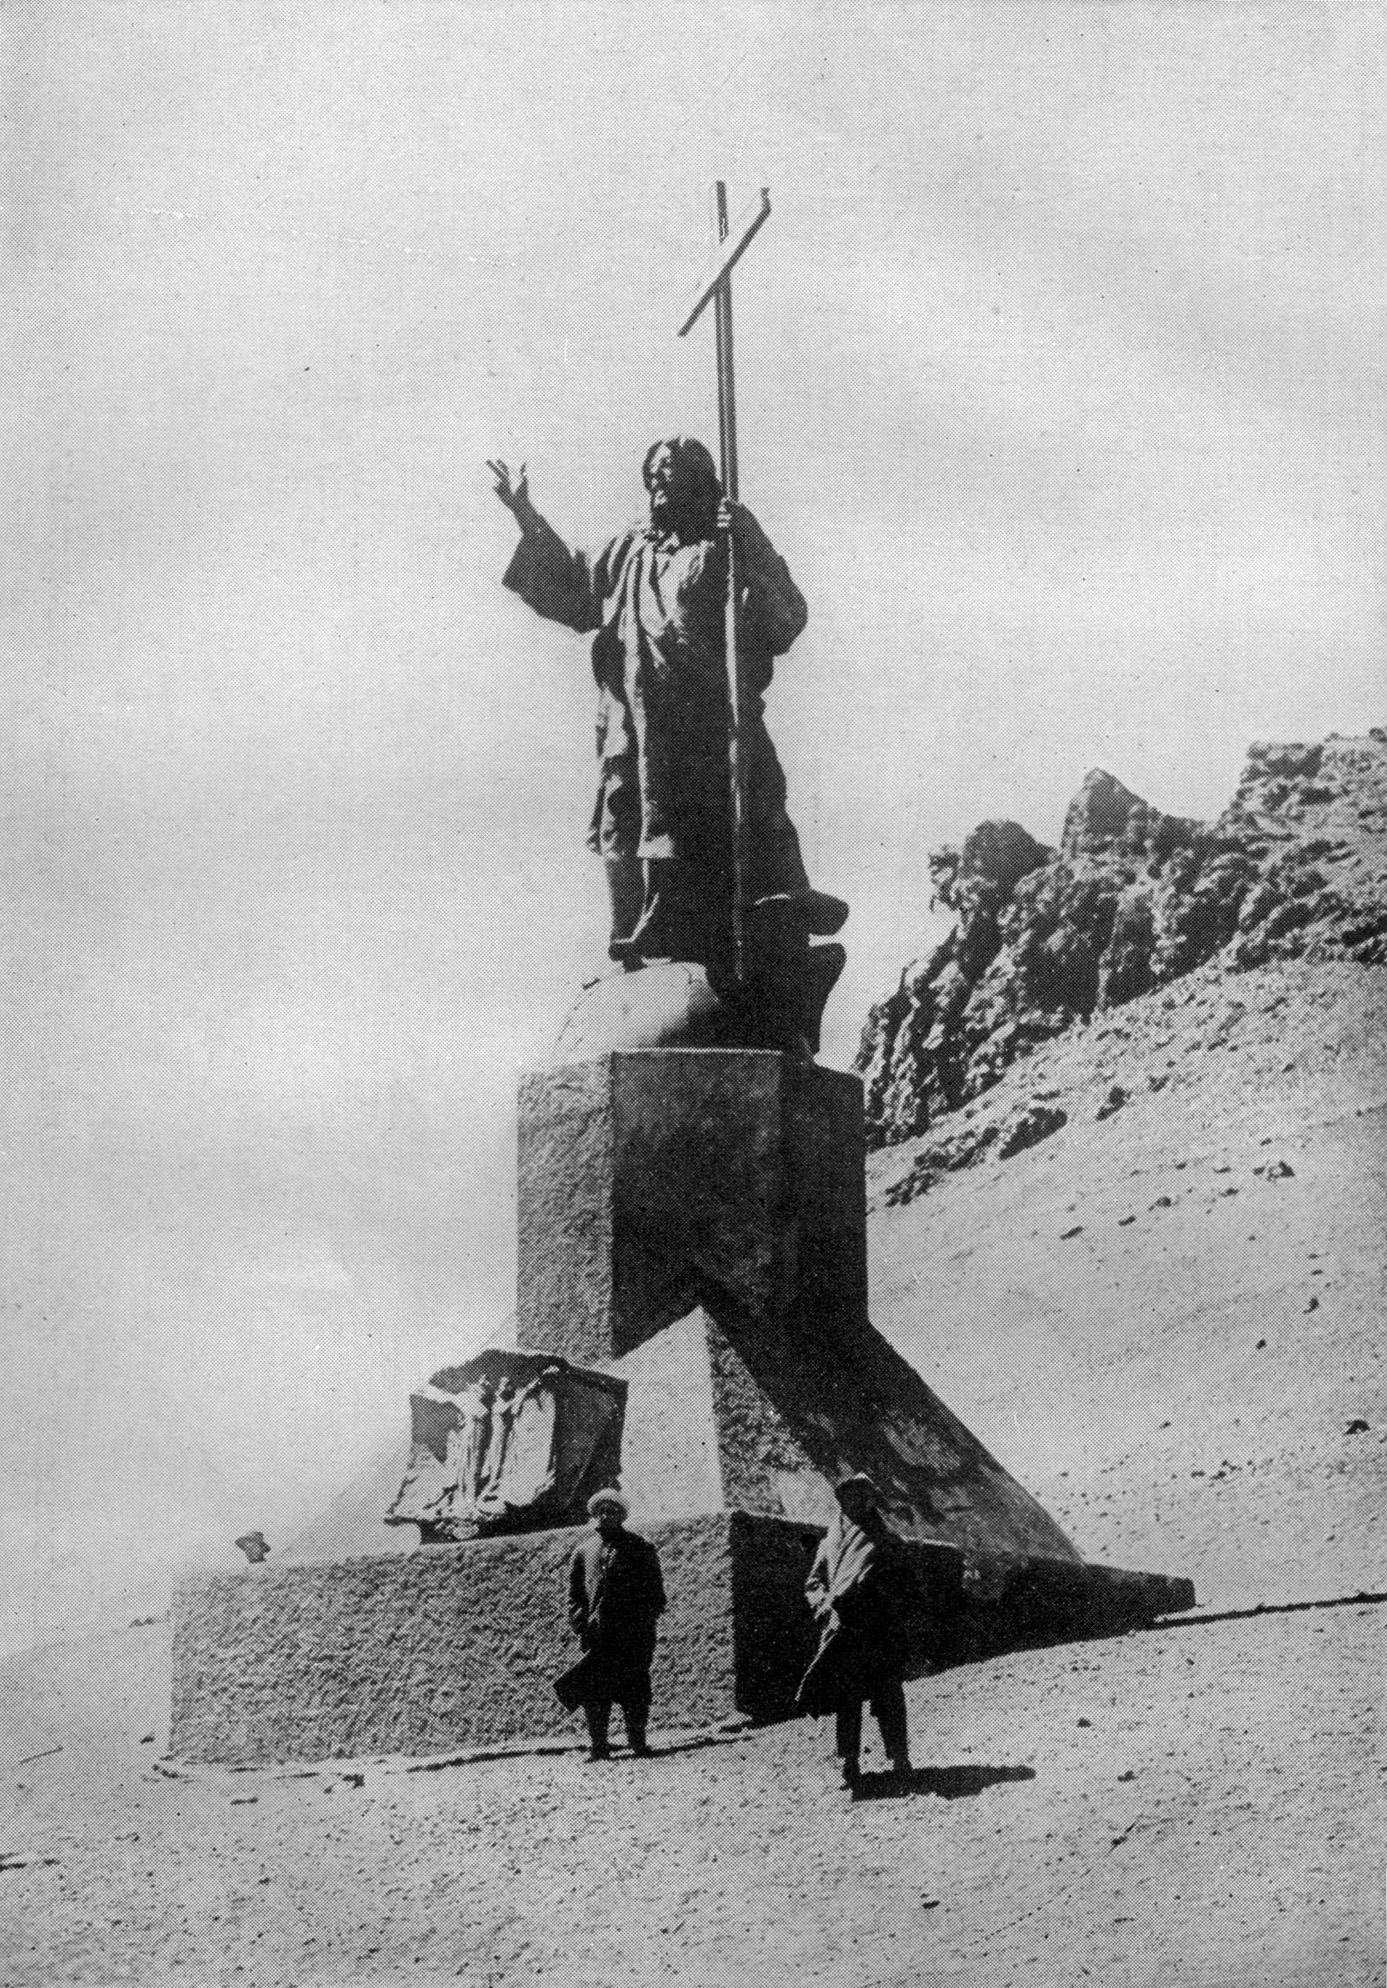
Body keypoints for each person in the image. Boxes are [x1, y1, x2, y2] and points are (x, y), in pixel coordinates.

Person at [488, 439, 844, 974]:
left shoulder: (723, 546)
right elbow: (576, 590)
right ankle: (632, 951)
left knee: (732, 820)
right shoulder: (629, 550)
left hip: (705, 723)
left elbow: (784, 620)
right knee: (625, 823)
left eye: (670, 474)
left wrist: (750, 541)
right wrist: (525, 513)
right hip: (632, 721)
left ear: (699, 482)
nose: (657, 485)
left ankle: (765, 934)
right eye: (651, 475)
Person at [797, 1473, 915, 1790]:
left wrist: (874, 1595)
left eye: (863, 1495)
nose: (857, 1502)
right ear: (841, 1500)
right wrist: (822, 1604)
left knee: (887, 1693)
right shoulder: (829, 1542)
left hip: (876, 1629)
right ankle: (850, 1761)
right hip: (842, 1630)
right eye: (850, 1496)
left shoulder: (886, 1540)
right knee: (847, 1699)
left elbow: (902, 1583)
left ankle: (900, 1756)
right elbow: (814, 1583)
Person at [557, 1488, 666, 1761]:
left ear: (622, 1516)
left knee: (636, 1689)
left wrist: (642, 1622)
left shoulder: (640, 1548)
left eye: (613, 1511)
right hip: (598, 1635)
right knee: (595, 1693)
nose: (606, 1516)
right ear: (594, 1515)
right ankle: (599, 1746)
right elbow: (575, 1596)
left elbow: (656, 1594)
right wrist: (582, 1625)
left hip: (633, 1635)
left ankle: (638, 1743)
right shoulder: (583, 1551)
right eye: (601, 1511)